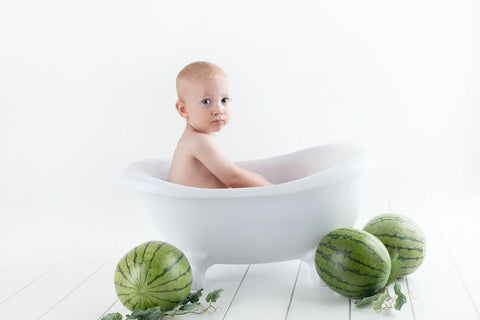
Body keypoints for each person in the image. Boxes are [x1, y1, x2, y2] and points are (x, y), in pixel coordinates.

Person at [169, 61, 273, 188]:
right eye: (206, 102)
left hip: (208, 205)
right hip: (203, 207)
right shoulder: (198, 141)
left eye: (224, 100)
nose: (218, 110)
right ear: (184, 110)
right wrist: (274, 190)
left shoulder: (195, 138)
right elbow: (233, 178)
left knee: (254, 176)